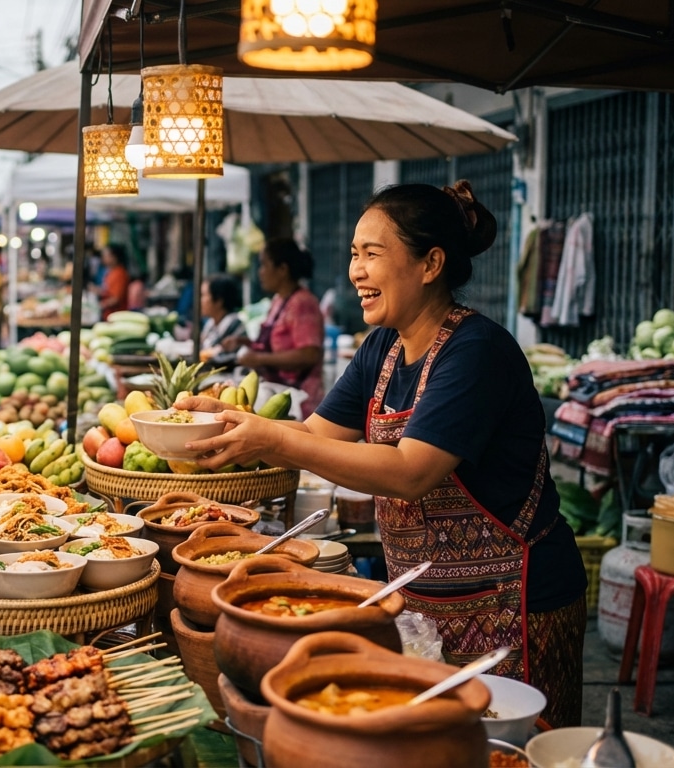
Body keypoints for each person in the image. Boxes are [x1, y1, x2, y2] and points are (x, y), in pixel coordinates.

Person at [180, 181, 588, 728]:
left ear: (430, 263)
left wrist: (273, 439)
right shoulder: (383, 347)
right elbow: (316, 435)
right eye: (354, 254)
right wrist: (225, 419)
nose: (356, 271)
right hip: (423, 604)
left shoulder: (477, 351)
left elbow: (410, 471)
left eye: (373, 254)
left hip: (515, 603)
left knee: (508, 751)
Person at [237, 238, 325, 413]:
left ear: (283, 269)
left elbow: (309, 354)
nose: (260, 272)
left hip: (298, 403)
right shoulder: (279, 300)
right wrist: (245, 342)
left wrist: (259, 359)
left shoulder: (302, 303)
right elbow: (274, 344)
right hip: (275, 394)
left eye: (264, 265)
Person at [199, 273, 250, 367]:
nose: (200, 300)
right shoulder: (211, 323)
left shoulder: (233, 324)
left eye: (204, 295)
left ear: (218, 301)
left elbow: (226, 357)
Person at [98, 243, 130, 315]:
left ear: (114, 257)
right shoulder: (111, 272)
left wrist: (101, 305)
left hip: (116, 316)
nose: (103, 258)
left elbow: (116, 299)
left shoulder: (120, 274)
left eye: (106, 256)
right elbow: (107, 291)